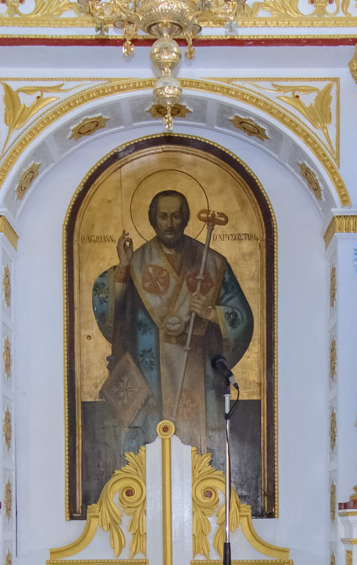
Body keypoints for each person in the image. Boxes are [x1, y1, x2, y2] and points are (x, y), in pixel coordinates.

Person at [92, 189, 254, 458]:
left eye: (176, 216)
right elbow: (114, 318)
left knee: (198, 451)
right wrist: (123, 269)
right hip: (151, 373)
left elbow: (242, 318)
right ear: (153, 220)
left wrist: (212, 313)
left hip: (196, 368)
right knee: (151, 451)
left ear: (186, 219)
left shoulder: (211, 263)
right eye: (163, 216)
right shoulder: (137, 263)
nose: (169, 223)